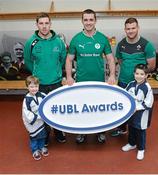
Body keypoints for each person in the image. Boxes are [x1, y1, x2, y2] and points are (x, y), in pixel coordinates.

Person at [66, 9, 116, 144]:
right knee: (82, 109)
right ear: (82, 21)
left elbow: (111, 59)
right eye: (86, 20)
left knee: (99, 108)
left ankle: (101, 132)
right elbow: (69, 59)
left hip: (99, 82)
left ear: (95, 21)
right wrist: (69, 77)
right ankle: (81, 133)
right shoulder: (76, 39)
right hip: (81, 82)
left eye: (91, 20)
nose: (88, 22)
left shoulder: (102, 38)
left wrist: (112, 75)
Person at [24, 12, 67, 145]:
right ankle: (45, 135)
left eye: (46, 23)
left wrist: (58, 74)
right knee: (42, 112)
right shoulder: (31, 42)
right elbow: (28, 61)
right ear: (37, 25)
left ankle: (59, 133)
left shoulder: (59, 42)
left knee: (58, 109)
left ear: (50, 24)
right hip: (39, 85)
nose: (44, 26)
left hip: (56, 83)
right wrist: (37, 76)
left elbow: (63, 59)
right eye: (41, 23)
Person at [111, 17, 156, 137]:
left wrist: (138, 76)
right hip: (123, 82)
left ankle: (137, 130)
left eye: (133, 28)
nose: (131, 31)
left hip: (139, 84)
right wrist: (128, 70)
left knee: (137, 108)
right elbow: (120, 61)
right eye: (128, 29)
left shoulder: (146, 45)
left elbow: (151, 66)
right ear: (125, 30)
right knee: (122, 106)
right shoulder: (121, 44)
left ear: (138, 28)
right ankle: (122, 128)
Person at [121, 64, 154, 160]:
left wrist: (137, 107)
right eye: (137, 73)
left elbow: (148, 103)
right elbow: (125, 95)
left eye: (142, 74)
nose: (139, 76)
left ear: (146, 75)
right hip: (131, 113)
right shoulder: (131, 84)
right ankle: (132, 144)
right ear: (133, 74)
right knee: (131, 127)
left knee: (140, 131)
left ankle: (141, 149)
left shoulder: (147, 88)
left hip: (141, 114)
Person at [22, 76, 49, 161]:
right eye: (31, 87)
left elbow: (49, 99)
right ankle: (35, 150)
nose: (34, 89)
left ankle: (41, 147)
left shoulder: (41, 95)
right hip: (33, 123)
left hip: (41, 122)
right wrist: (38, 117)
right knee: (34, 137)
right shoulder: (27, 100)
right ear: (27, 87)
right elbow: (26, 113)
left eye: (36, 86)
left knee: (42, 136)